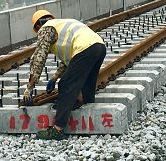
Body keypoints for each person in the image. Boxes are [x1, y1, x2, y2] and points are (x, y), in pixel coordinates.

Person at [22, 10, 107, 140]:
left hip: (84, 49)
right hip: (99, 47)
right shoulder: (61, 25)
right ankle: (90, 115)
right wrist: (54, 78)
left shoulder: (46, 29)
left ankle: (58, 129)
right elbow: (69, 60)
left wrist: (29, 87)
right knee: (87, 84)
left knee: (66, 84)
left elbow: (39, 57)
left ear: (38, 26)